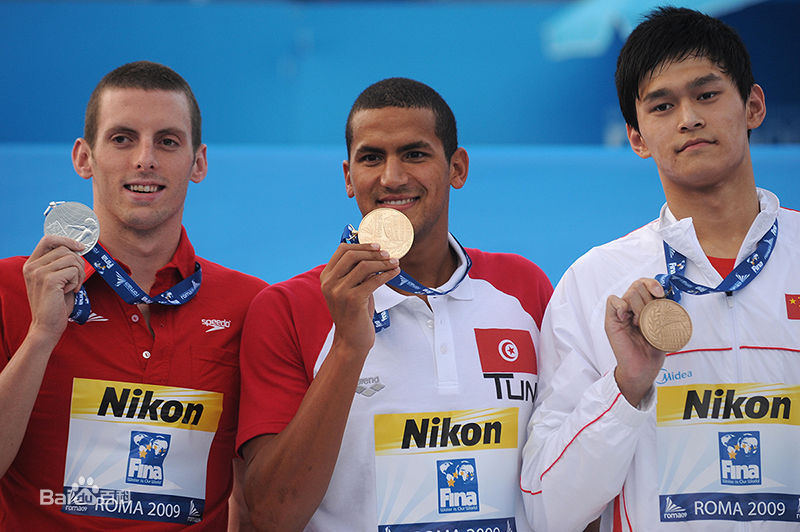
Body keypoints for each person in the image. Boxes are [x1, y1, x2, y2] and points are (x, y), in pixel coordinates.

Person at [521, 6, 800, 531]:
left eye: (707, 94)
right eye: (663, 105)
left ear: (754, 105)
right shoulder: (594, 281)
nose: (689, 117)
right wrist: (626, 385)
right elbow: (545, 510)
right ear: (637, 137)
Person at [237, 77, 552, 531]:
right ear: (349, 177)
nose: (392, 177)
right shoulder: (287, 307)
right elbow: (271, 515)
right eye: (371, 158)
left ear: (457, 168)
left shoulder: (523, 286)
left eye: (415, 153)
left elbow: (565, 469)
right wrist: (347, 346)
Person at [0, 61, 266, 529]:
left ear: (198, 162)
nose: (145, 159)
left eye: (167, 141)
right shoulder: (9, 287)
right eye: (122, 138)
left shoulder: (251, 305)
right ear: (84, 157)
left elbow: (253, 491)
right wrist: (41, 335)